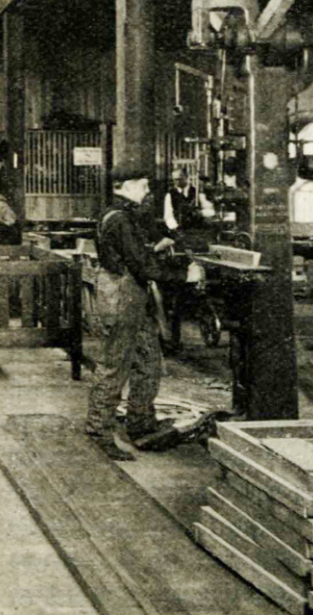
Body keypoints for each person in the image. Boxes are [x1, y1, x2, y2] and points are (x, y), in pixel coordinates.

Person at [86, 160, 203, 461]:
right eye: (142, 184)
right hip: (122, 298)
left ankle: (140, 422)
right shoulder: (120, 219)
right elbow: (142, 267)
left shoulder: (122, 215)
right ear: (124, 187)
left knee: (149, 360)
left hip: (130, 296)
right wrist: (185, 275)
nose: (148, 190)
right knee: (115, 366)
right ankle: (98, 430)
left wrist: (156, 247)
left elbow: (135, 256)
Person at [163, 167, 202, 234]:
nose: (176, 182)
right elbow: (168, 215)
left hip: (196, 230)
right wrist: (175, 227)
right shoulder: (170, 195)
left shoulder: (197, 192)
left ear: (187, 177)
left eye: (179, 179)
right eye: (174, 180)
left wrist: (201, 213)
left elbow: (208, 210)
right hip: (178, 231)